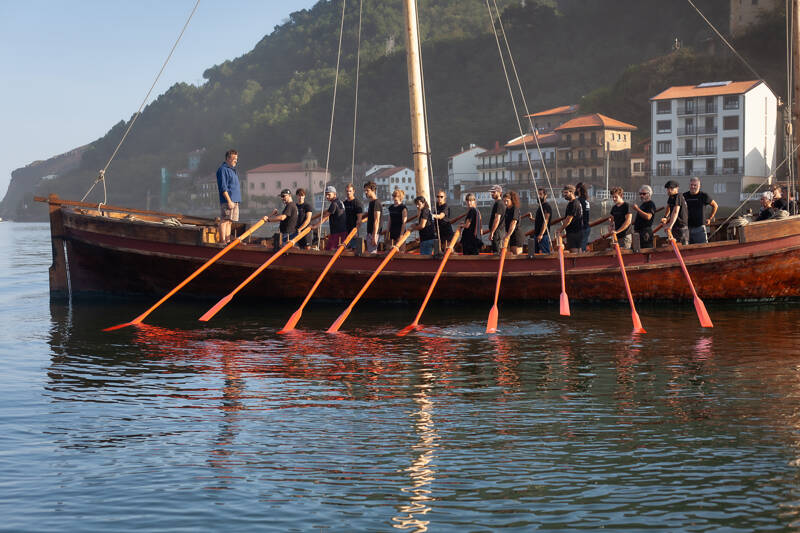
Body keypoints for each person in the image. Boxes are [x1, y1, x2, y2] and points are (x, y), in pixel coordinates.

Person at [215, 149, 241, 244]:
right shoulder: (223, 169)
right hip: (228, 200)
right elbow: (223, 187)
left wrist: (234, 201)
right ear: (228, 158)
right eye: (234, 158)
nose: (236, 160)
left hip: (235, 200)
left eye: (236, 159)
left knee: (230, 221)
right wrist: (229, 201)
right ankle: (222, 242)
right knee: (224, 220)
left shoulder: (232, 170)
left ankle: (228, 241)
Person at [683, 176, 718, 244]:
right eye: (691, 185)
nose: (693, 187)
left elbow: (715, 206)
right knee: (686, 250)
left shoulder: (704, 196)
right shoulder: (684, 196)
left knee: (703, 249)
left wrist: (710, 218)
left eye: (695, 185)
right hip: (686, 228)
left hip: (700, 228)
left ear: (699, 186)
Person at [661, 180, 689, 244]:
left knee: (683, 247)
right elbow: (668, 207)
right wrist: (665, 217)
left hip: (681, 227)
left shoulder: (678, 196)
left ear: (677, 188)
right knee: (673, 243)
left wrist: (670, 226)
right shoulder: (671, 197)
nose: (669, 190)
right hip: (675, 226)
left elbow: (676, 211)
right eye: (668, 189)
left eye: (671, 188)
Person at [559, 184, 583, 253]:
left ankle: (577, 263)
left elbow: (569, 219)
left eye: (566, 192)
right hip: (578, 231)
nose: (564, 194)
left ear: (571, 192)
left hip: (574, 232)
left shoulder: (574, 204)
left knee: (574, 251)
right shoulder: (575, 203)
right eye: (563, 192)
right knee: (579, 250)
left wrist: (560, 229)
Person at [324, 185, 347, 250]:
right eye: (326, 195)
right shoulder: (339, 202)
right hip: (339, 232)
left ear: (334, 194)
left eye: (328, 194)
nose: (327, 196)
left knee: (330, 250)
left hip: (338, 233)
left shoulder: (334, 204)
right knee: (328, 249)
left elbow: (325, 218)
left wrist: (314, 226)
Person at [530, 188, 552, 254]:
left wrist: (541, 234)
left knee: (545, 253)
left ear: (545, 195)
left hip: (543, 235)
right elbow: (541, 220)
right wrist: (534, 219)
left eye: (540, 194)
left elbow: (546, 220)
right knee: (535, 253)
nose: (538, 196)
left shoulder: (546, 206)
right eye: (537, 194)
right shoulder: (541, 206)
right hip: (537, 234)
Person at [502, 191, 524, 255]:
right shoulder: (507, 210)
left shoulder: (515, 209)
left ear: (511, 200)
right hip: (511, 235)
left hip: (516, 235)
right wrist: (506, 235)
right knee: (511, 253)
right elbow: (507, 224)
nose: (505, 203)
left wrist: (508, 236)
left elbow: (513, 222)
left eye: (507, 201)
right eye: (504, 201)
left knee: (516, 254)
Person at [487, 184, 507, 254]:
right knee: (496, 251)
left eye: (494, 192)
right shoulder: (498, 203)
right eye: (491, 192)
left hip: (498, 233)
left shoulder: (499, 204)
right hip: (498, 232)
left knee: (497, 252)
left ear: (499, 193)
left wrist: (492, 232)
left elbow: (497, 219)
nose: (492, 194)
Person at [362, 181, 381, 253]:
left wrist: (374, 236)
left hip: (373, 234)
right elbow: (370, 216)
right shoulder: (371, 203)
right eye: (365, 191)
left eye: (367, 190)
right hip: (370, 232)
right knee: (370, 252)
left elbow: (377, 220)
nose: (366, 192)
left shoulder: (376, 203)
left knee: (372, 253)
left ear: (373, 190)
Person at [575, 182, 591, 251]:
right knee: (583, 247)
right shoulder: (586, 200)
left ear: (578, 189)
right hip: (587, 226)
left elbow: (577, 215)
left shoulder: (579, 201)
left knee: (580, 248)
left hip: (582, 228)